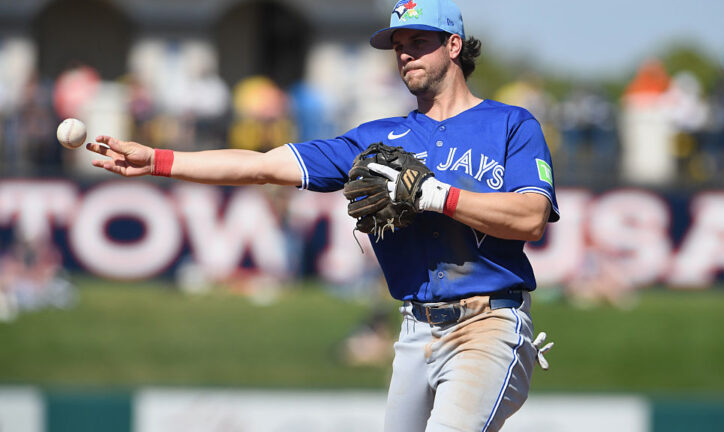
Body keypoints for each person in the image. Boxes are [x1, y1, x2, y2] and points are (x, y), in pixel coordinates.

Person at [86, 0, 559, 430]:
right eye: (397, 46)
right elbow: (262, 165)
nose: (405, 55)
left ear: (453, 46)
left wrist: (436, 196)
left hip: (489, 322)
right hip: (415, 330)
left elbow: (531, 217)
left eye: (419, 42)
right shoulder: (377, 139)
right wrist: (160, 161)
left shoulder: (510, 124)